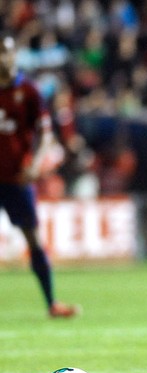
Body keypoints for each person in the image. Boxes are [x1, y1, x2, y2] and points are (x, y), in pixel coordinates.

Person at [0, 35, 78, 318]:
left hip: (17, 178)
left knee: (33, 238)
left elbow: (46, 133)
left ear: (14, 55)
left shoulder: (29, 91)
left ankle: (51, 303)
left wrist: (35, 164)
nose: (2, 59)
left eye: (6, 53)